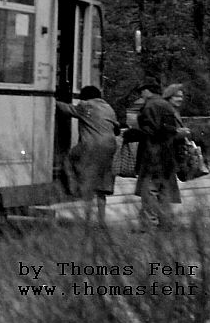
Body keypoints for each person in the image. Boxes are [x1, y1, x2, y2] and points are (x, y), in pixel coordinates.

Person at [55, 85, 119, 225]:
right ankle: (101, 221)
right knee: (103, 187)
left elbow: (67, 109)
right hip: (110, 148)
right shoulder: (109, 108)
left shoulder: (85, 106)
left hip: (90, 146)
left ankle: (74, 189)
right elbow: (117, 128)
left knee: (68, 159)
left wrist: (51, 100)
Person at [133, 81, 190, 230]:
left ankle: (149, 223)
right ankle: (166, 223)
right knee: (164, 190)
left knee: (150, 190)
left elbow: (152, 130)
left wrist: (134, 133)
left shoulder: (151, 105)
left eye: (142, 92)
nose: (141, 95)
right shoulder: (167, 108)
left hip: (153, 153)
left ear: (147, 91)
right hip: (167, 155)